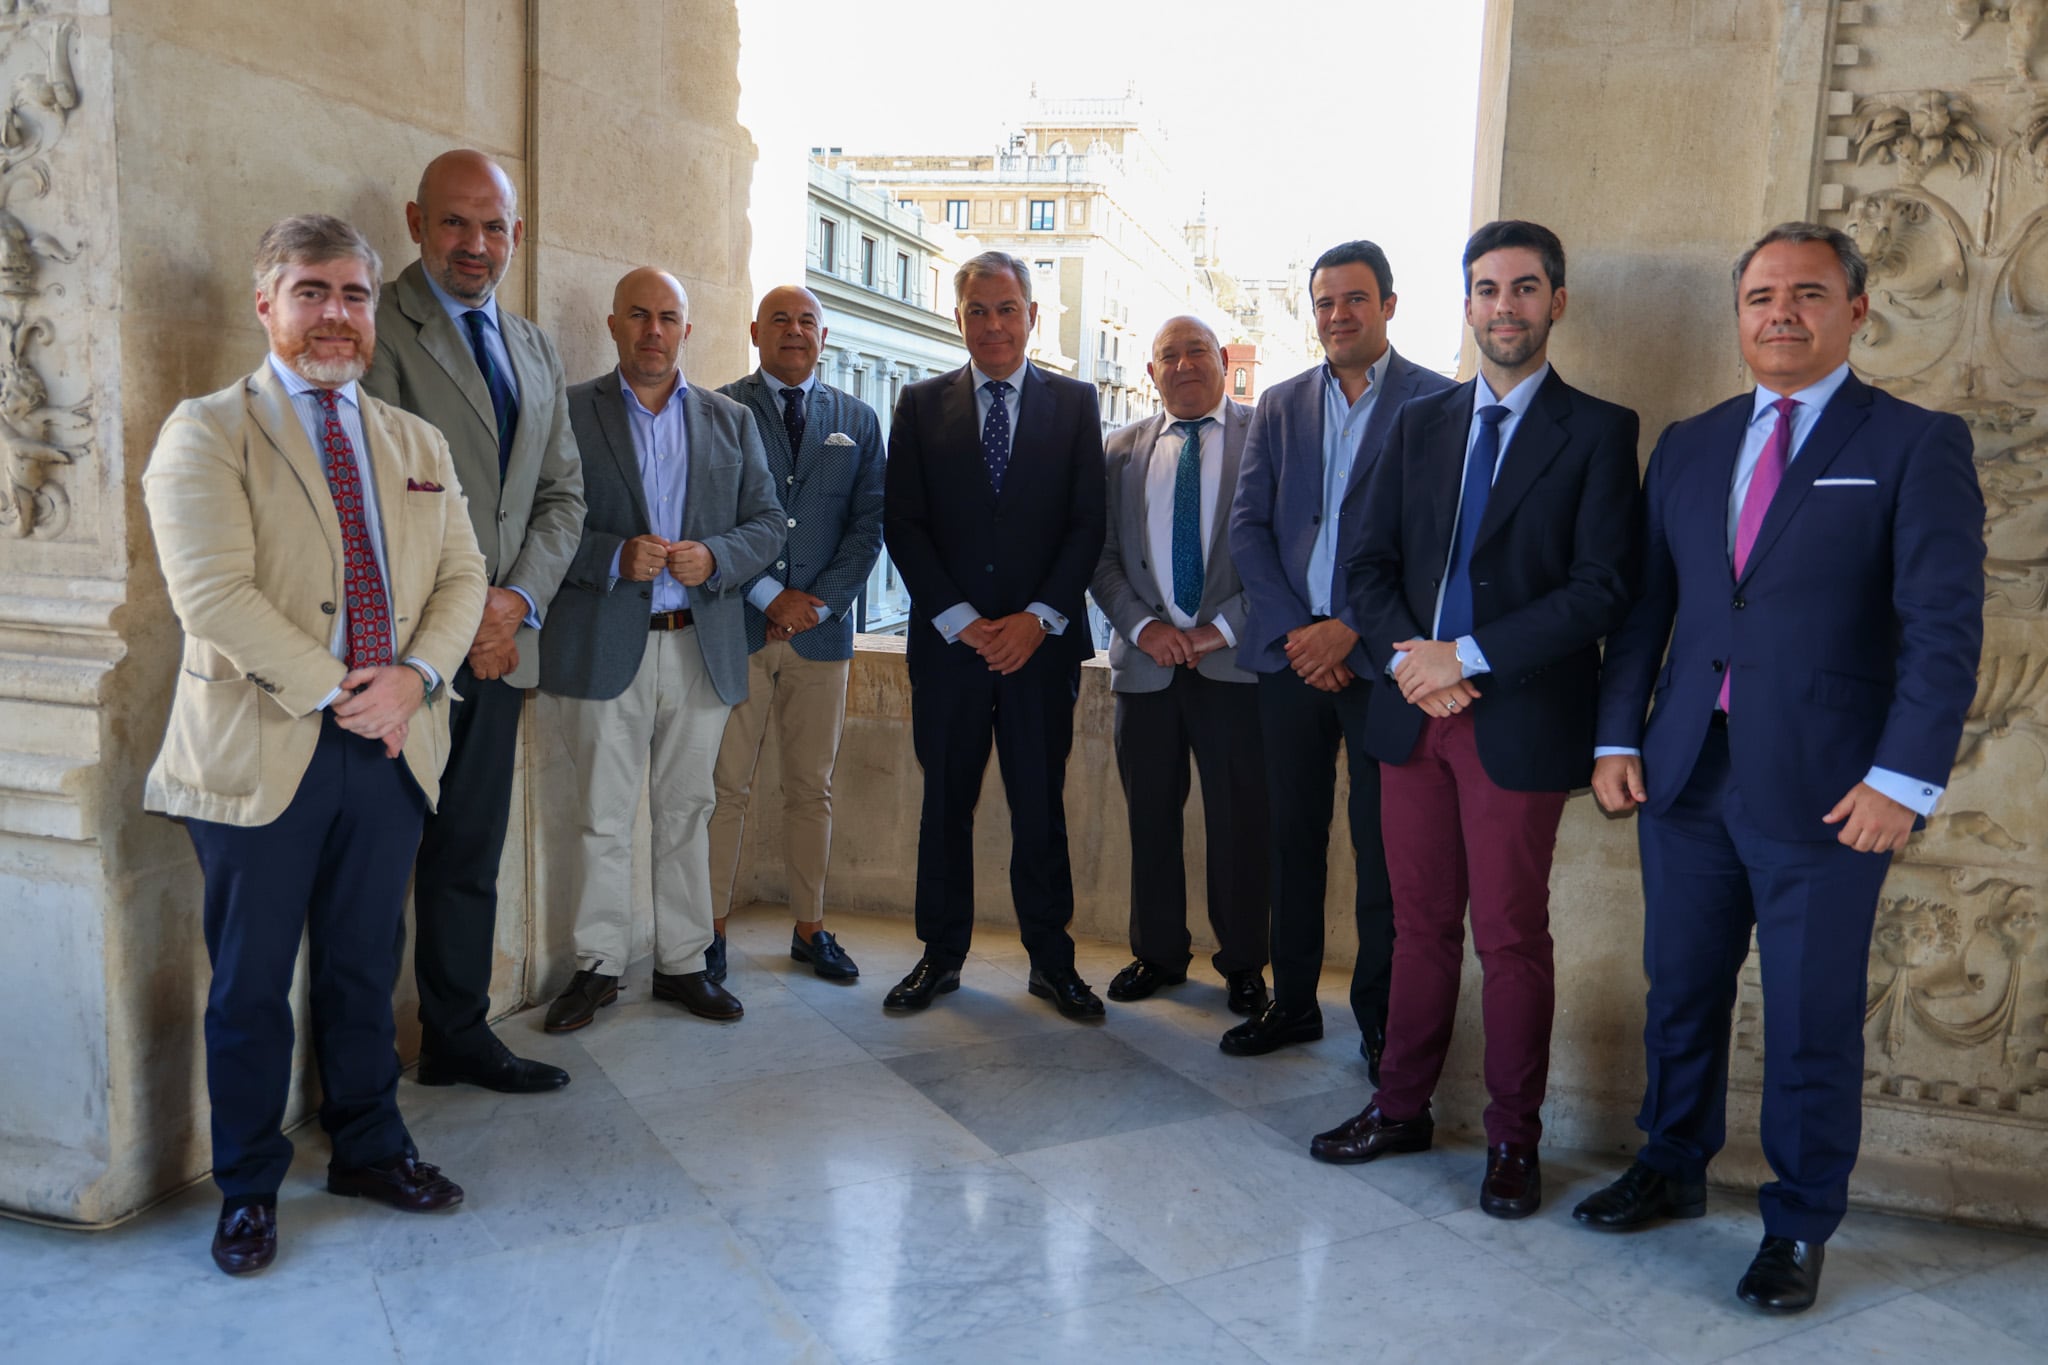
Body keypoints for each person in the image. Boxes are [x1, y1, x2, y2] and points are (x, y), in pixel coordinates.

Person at [1574, 222, 1984, 1312]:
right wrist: (1619, 735)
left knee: (1807, 1018)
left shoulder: (1912, 443)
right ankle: (1669, 1165)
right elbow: (1648, 608)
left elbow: (1943, 630)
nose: (1779, 314)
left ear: (1856, 310)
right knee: (1681, 992)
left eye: (1806, 294)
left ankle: (1798, 1224)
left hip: (1830, 790)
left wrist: (1901, 779)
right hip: (1685, 775)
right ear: (1739, 315)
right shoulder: (1692, 443)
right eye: (1759, 297)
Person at [144, 214, 488, 1275]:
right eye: (310, 292)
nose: (334, 314)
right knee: (250, 983)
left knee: (361, 963)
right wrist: (344, 687)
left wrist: (415, 680)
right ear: (266, 305)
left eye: (352, 294)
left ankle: (368, 1148)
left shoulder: (415, 442)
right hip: (262, 744)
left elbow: (463, 579)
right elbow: (211, 594)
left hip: (390, 745)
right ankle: (247, 1187)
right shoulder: (206, 430)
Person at [1308, 222, 1643, 1222]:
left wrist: (1472, 656)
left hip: (1517, 718)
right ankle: (1400, 1106)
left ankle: (1511, 1138)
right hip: (1410, 714)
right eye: (1487, 289)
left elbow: (1600, 589)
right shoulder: (1415, 423)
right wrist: (1416, 658)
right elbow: (1359, 569)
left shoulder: (1596, 431)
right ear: (1463, 305)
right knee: (1414, 930)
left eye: (1525, 288)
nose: (1505, 306)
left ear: (1555, 302)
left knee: (1507, 937)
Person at [362, 149, 584, 1093]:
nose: (475, 244)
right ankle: (363, 1077)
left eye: (494, 226)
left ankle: (457, 1033)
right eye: (455, 223)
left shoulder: (532, 346)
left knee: (469, 856)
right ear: (416, 225)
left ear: (517, 236)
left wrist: (515, 602)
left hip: (503, 649)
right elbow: (376, 502)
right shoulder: (374, 330)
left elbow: (562, 497)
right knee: (375, 876)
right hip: (406, 658)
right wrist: (465, 618)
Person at [1224, 240, 1456, 1066]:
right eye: (1323, 302)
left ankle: (1379, 1019)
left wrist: (1351, 627)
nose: (1337, 316)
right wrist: (1298, 630)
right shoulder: (1279, 405)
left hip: (1381, 663)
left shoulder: (1436, 402)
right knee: (1290, 835)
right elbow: (1249, 528)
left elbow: (1432, 541)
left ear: (1389, 305)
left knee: (1382, 846)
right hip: (1289, 660)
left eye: (1354, 300)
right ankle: (1292, 1005)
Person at [538, 268, 785, 1031]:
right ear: (614, 324)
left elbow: (769, 522)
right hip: (604, 645)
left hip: (699, 647)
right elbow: (540, 523)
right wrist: (612, 555)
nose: (653, 330)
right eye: (639, 316)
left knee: (687, 810)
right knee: (601, 815)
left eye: (667, 317)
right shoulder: (571, 411)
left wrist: (715, 557)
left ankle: (683, 963)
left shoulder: (728, 420)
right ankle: (598, 965)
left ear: (687, 329)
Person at [880, 250, 1108, 1018]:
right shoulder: (917, 404)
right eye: (977, 310)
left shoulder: (1076, 405)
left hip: (1040, 654)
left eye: (1007, 308)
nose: (993, 324)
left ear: (1033, 316)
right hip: (950, 653)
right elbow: (903, 524)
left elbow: (1086, 526)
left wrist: (1037, 619)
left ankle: (1052, 961)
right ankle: (939, 957)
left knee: (1039, 807)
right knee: (944, 805)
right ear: (959, 319)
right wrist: (964, 623)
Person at [1088, 315, 1270, 1013]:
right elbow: (1100, 560)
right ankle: (1157, 952)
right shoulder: (1121, 451)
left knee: (1240, 824)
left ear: (1223, 362)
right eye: (1169, 355)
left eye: (1198, 352)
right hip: (1148, 669)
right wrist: (1142, 626)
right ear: (1151, 371)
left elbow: (1282, 555)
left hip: (1237, 670)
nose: (1185, 365)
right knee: (1150, 819)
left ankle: (1246, 962)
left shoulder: (1266, 439)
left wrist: (1219, 630)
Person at [706, 285, 886, 981]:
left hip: (820, 637)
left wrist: (819, 604)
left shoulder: (858, 420)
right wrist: (767, 593)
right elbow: (710, 514)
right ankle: (710, 930)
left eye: (806, 320)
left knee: (812, 788)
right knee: (726, 789)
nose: (793, 329)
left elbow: (870, 524)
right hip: (738, 629)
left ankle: (810, 928)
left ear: (825, 334)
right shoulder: (718, 409)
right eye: (779, 318)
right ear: (755, 330)